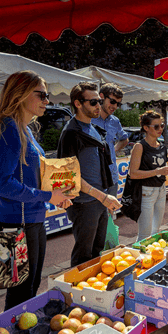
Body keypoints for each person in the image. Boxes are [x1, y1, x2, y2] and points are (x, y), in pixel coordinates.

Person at [0, 70, 75, 311]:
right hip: (18, 223)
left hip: (30, 220)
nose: (47, 101)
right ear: (21, 93)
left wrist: (54, 197)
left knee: (29, 288)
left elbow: (30, 178)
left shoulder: (23, 128)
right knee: (21, 293)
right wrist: (48, 196)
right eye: (42, 95)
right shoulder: (7, 128)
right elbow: (1, 182)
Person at [57, 82, 122, 267]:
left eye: (99, 101)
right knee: (83, 256)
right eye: (93, 102)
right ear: (78, 103)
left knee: (97, 251)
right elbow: (69, 175)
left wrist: (105, 196)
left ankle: (92, 291)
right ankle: (76, 292)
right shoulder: (71, 132)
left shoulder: (93, 128)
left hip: (99, 199)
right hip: (84, 203)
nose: (98, 106)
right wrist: (101, 195)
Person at [128, 110, 168, 241]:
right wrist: (158, 171)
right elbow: (133, 174)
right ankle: (140, 259)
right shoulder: (140, 146)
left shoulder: (161, 146)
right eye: (156, 126)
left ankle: (153, 258)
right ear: (146, 128)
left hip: (161, 189)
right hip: (146, 192)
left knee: (156, 231)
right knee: (145, 234)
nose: (160, 129)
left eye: (162, 125)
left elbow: (161, 169)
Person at [92, 83, 129, 197]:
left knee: (110, 213)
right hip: (93, 178)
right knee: (96, 213)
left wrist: (112, 150)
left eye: (118, 103)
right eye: (112, 102)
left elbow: (125, 139)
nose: (115, 106)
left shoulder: (115, 121)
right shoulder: (88, 118)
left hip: (112, 176)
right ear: (101, 97)